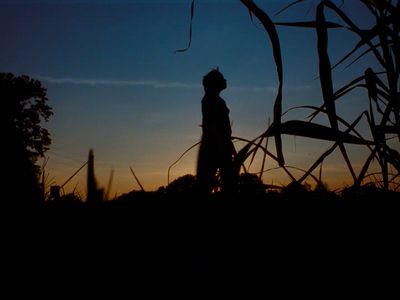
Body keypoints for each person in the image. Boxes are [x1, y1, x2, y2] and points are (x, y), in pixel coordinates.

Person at [196, 68, 237, 195]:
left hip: (221, 144)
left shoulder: (216, 100)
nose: (225, 80)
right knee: (208, 182)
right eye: (221, 78)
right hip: (214, 146)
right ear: (214, 84)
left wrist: (228, 144)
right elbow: (212, 125)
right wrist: (222, 144)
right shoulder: (209, 100)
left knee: (227, 181)